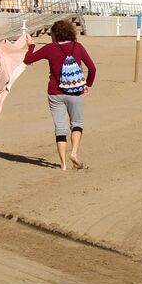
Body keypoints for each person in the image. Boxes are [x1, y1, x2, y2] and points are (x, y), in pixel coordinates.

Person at [24, 18, 97, 171]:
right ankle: (74, 152)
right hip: (76, 91)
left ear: (55, 35)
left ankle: (63, 164)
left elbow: (28, 60)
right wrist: (88, 84)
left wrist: (31, 46)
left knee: (60, 128)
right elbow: (92, 68)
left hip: (55, 93)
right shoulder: (78, 47)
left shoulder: (50, 48)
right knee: (77, 123)